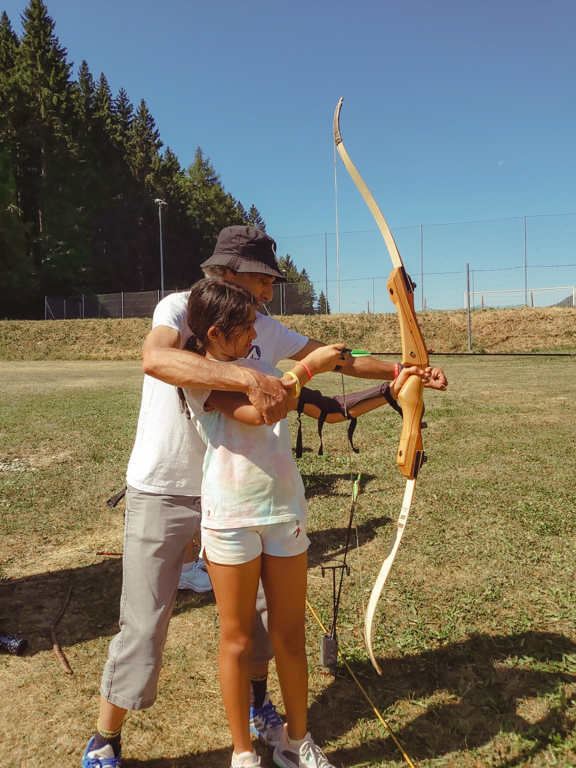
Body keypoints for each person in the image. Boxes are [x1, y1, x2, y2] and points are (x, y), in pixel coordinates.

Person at [82, 226, 447, 767]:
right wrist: (251, 378)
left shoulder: (262, 324)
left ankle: (256, 709)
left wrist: (400, 369)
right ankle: (106, 738)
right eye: (261, 280)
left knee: (253, 622)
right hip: (163, 487)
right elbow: (158, 360)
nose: (269, 295)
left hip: (243, 502)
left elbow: (336, 359)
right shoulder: (180, 309)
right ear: (228, 271)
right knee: (145, 621)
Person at [181, 278, 426, 768]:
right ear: (213, 333)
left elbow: (327, 407)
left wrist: (399, 381)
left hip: (284, 512)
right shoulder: (198, 375)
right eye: (245, 327)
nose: (255, 333)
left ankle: (296, 741)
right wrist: (309, 366)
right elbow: (259, 409)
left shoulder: (263, 364)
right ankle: (244, 754)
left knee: (290, 637)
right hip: (230, 518)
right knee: (237, 639)